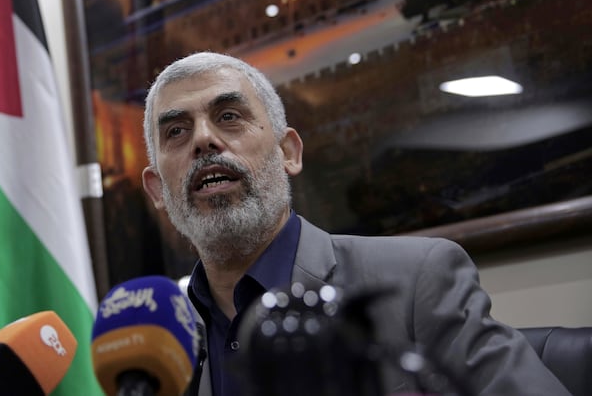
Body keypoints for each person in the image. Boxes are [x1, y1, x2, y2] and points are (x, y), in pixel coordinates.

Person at [140, 51, 570, 396]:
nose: (202, 139)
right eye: (176, 131)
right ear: (158, 190)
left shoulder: (418, 279)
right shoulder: (159, 342)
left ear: (288, 152)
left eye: (229, 116)